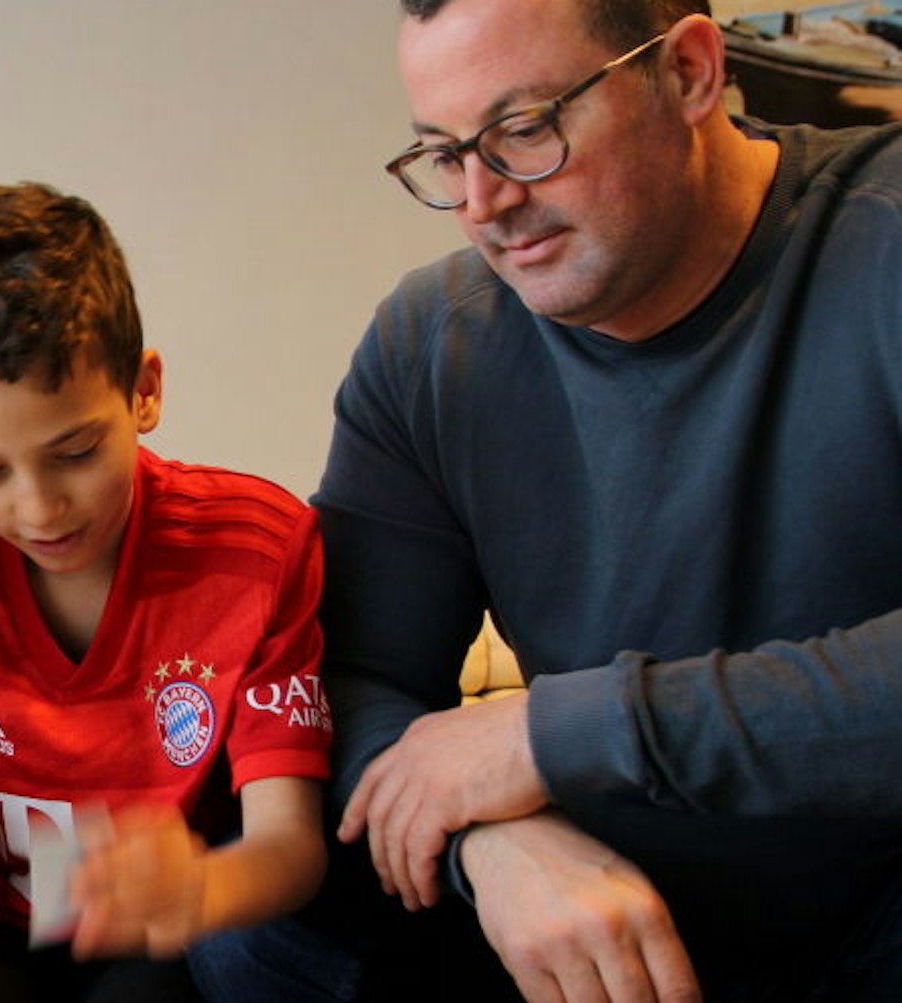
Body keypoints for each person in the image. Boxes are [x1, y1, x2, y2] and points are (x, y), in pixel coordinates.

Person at [268, 0, 902, 1000]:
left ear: (688, 73)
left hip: (874, 896)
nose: (482, 202)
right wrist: (489, 840)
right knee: (261, 920)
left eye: (524, 129)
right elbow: (343, 681)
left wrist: (556, 735)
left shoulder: (879, 239)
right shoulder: (432, 342)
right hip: (600, 909)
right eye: (445, 154)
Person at [0, 182, 333, 1003]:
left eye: (74, 453)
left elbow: (291, 847)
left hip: (180, 938)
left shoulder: (258, 547)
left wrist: (198, 888)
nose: (38, 509)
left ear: (144, 390)